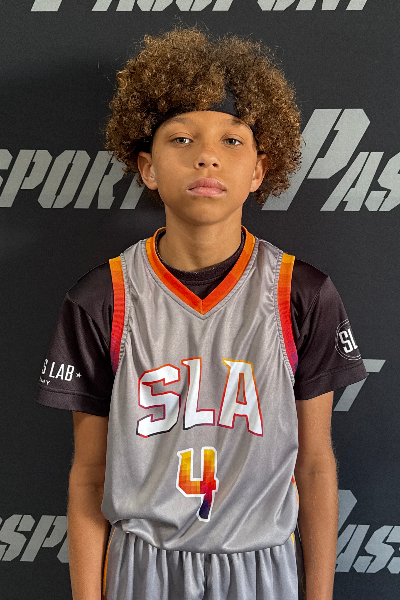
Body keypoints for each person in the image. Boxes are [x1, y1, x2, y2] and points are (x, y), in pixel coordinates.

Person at [35, 25, 368, 600]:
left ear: (260, 170)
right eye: (182, 139)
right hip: (144, 565)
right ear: (147, 168)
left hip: (263, 565)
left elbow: (315, 465)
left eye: (232, 141)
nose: (207, 156)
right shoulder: (102, 297)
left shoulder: (302, 293)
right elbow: (89, 474)